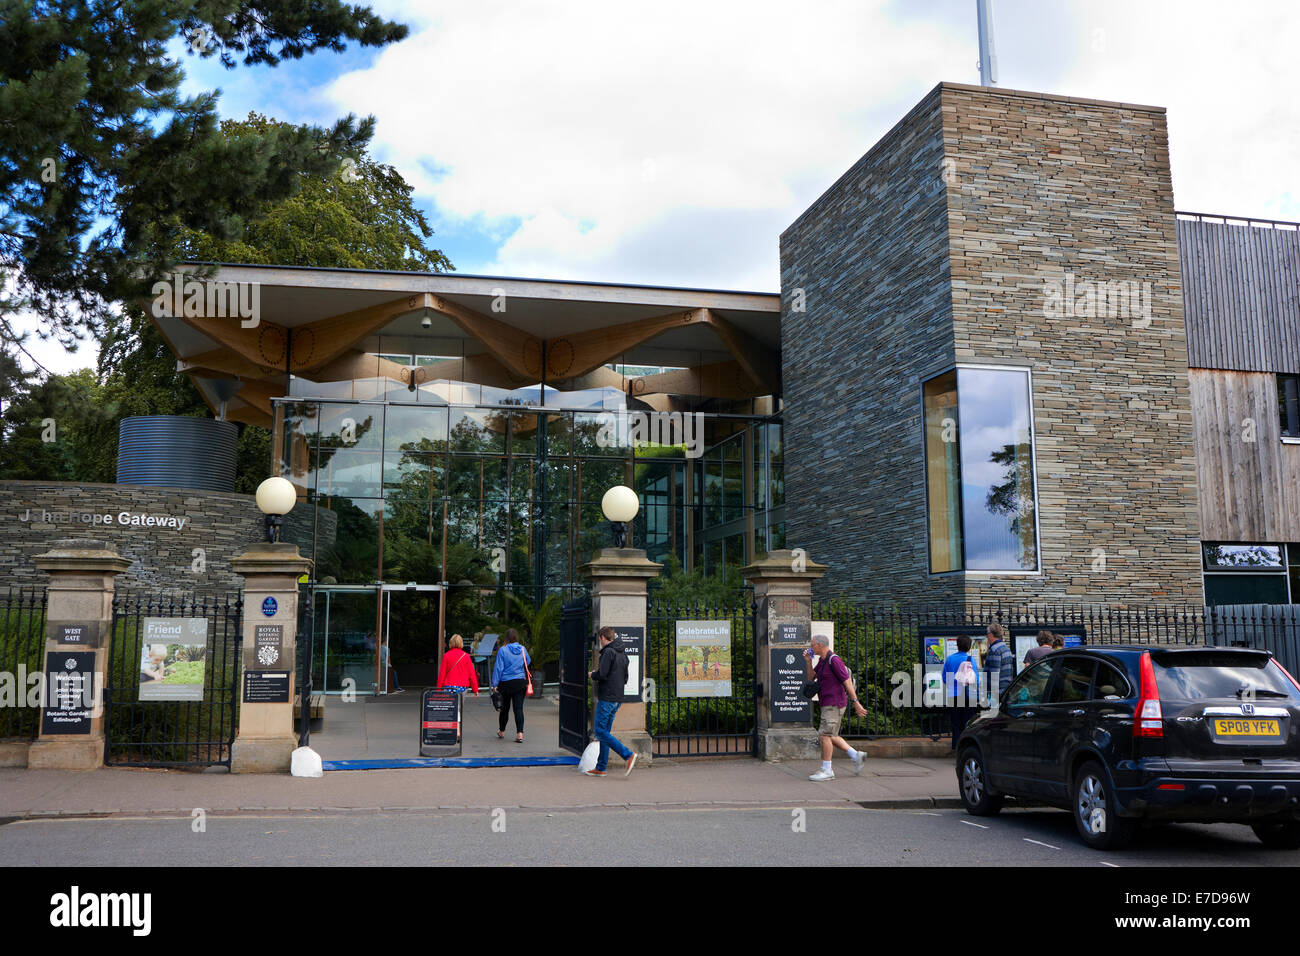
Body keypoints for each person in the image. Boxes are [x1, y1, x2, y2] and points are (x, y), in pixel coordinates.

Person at [804, 634, 867, 781]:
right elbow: (810, 678)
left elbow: (847, 682)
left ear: (820, 645)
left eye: (813, 644)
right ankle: (856, 755)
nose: (811, 647)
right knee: (831, 735)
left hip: (834, 704)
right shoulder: (822, 660)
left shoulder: (834, 660)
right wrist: (808, 661)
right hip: (827, 703)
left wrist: (856, 702)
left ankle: (827, 770)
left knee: (825, 735)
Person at [585, 626, 636, 777]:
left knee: (599, 731)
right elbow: (626, 677)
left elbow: (602, 674)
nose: (599, 641)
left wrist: (592, 674)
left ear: (602, 637)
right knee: (604, 733)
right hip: (617, 698)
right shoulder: (622, 653)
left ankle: (628, 754)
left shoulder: (608, 652)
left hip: (607, 697)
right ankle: (601, 767)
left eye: (600, 638)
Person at [491, 628, 531, 742]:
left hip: (506, 683)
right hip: (520, 682)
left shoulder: (502, 650)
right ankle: (520, 734)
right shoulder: (523, 649)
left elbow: (498, 668)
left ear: (507, 638)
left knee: (505, 709)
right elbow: (527, 661)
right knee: (518, 709)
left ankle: (502, 731)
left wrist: (495, 684)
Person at [941, 635, 981, 750]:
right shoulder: (971, 660)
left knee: (955, 723)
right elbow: (975, 679)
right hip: (969, 695)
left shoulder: (950, 659)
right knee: (968, 723)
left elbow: (944, 678)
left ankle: (956, 747)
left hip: (953, 695)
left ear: (957, 646)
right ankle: (966, 748)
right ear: (969, 647)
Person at [984, 622, 1013, 705]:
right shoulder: (1006, 648)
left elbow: (994, 674)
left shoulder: (994, 650)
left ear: (990, 634)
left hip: (997, 694)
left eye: (987, 634)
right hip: (1005, 690)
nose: (987, 637)